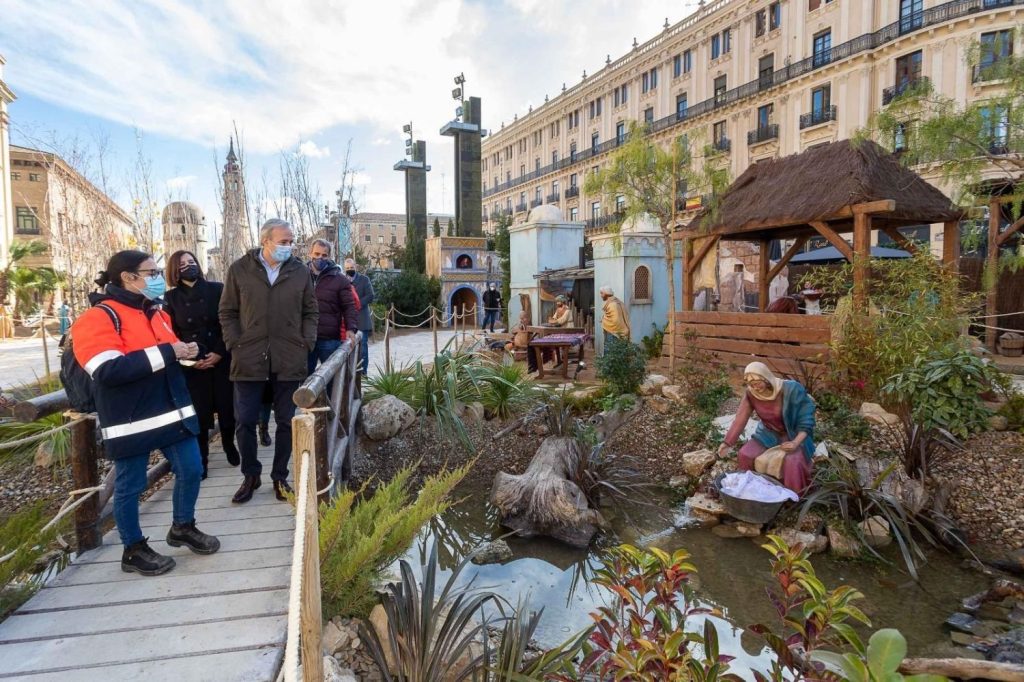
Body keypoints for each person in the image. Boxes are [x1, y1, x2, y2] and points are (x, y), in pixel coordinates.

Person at [72, 250, 219, 576]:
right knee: (130, 485)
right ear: (127, 277)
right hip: (130, 420)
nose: (157, 278)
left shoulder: (156, 313)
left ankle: (182, 526)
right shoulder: (98, 318)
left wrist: (188, 353)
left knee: (192, 469)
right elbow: (108, 370)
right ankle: (133, 548)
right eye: (151, 272)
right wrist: (170, 351)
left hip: (172, 412)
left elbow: (165, 357)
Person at [220, 219, 318, 504]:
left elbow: (311, 311)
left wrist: (305, 342)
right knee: (245, 420)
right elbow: (227, 312)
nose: (290, 246)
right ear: (266, 240)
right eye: (284, 241)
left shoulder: (299, 271)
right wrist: (235, 344)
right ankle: (250, 475)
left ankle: (279, 476)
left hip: (289, 356)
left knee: (287, 421)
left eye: (291, 241)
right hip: (248, 357)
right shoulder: (240, 269)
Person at [164, 250, 239, 479]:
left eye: (192, 261)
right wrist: (189, 360)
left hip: (220, 356)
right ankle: (202, 459)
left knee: (227, 409)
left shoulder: (217, 289)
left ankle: (228, 444)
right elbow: (170, 333)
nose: (189, 266)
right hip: (191, 364)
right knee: (200, 414)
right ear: (175, 270)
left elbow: (228, 323)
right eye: (183, 264)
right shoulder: (171, 298)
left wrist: (218, 352)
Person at [717, 362, 817, 495]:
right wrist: (727, 442)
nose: (755, 388)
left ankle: (794, 498)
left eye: (757, 383)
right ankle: (750, 492)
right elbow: (740, 418)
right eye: (751, 385)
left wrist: (795, 443)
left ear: (766, 378)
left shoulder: (791, 389)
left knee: (793, 461)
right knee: (745, 454)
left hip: (794, 435)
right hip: (768, 435)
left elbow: (806, 418)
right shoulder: (751, 394)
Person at [308, 239, 358, 375]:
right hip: (306, 338)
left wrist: (350, 328)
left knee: (333, 379)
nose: (320, 258)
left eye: (324, 255)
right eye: (316, 254)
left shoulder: (340, 279)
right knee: (303, 379)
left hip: (329, 338)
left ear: (329, 256)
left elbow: (349, 306)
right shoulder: (300, 276)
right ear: (310, 254)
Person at [344, 258, 374, 375]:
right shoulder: (342, 280)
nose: (349, 270)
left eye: (351, 268)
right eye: (347, 268)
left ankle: (363, 373)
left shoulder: (364, 279)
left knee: (363, 349)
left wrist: (357, 305)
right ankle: (351, 374)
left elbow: (370, 296)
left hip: (362, 319)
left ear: (355, 267)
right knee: (348, 349)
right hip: (348, 322)